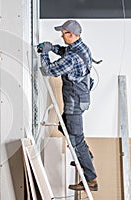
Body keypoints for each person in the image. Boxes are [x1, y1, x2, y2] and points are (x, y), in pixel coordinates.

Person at [37, 20, 98, 191]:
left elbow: (48, 70)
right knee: (65, 127)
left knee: (75, 140)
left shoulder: (72, 58)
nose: (61, 36)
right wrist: (53, 48)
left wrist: (44, 53)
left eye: (63, 33)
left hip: (74, 103)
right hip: (81, 99)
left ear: (71, 34)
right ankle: (86, 155)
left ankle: (91, 179)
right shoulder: (82, 47)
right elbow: (65, 51)